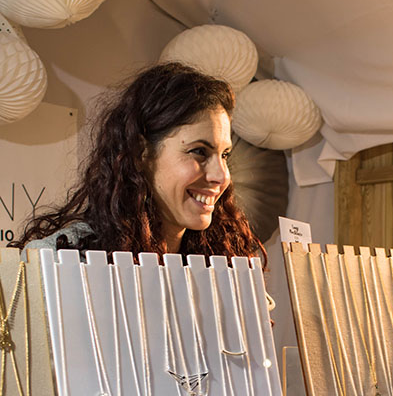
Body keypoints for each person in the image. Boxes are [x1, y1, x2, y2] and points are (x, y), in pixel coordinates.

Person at [15, 62, 265, 263]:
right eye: (199, 151)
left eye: (224, 155)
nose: (221, 176)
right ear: (140, 152)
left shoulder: (228, 264)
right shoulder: (57, 259)